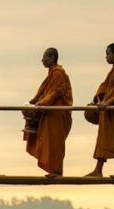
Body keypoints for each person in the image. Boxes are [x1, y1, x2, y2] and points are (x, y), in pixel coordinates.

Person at [24, 47, 73, 178]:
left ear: (52, 58)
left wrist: (43, 102)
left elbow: (57, 91)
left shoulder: (58, 73)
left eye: (45, 57)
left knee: (55, 142)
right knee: (49, 141)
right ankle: (53, 170)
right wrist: (35, 101)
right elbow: (45, 90)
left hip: (57, 113)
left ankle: (57, 171)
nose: (42, 60)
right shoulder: (52, 73)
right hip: (51, 112)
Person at [86, 43, 114, 178]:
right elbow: (106, 86)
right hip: (108, 110)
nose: (106, 57)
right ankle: (98, 170)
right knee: (102, 138)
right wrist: (100, 100)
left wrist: (108, 103)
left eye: (108, 54)